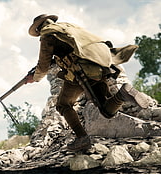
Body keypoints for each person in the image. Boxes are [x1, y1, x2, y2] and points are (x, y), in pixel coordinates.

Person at [26, 14, 148, 151]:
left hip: (81, 72)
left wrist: (34, 78)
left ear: (39, 28)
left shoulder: (48, 35)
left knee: (63, 104)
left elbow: (43, 67)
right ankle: (124, 93)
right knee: (106, 110)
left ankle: (82, 138)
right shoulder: (69, 28)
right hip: (99, 66)